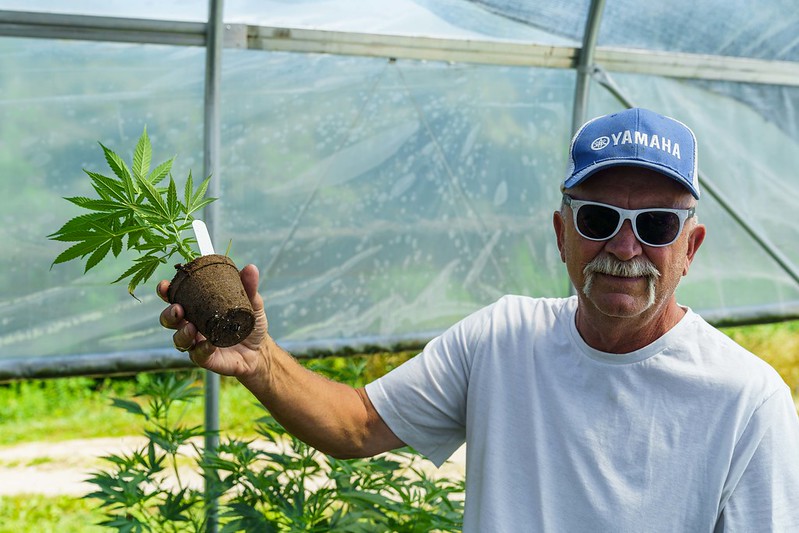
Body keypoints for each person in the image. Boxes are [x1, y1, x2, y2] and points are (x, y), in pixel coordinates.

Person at [159, 107, 799, 532]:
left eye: (656, 225)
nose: (624, 249)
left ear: (690, 248)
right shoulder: (502, 339)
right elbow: (354, 427)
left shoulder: (746, 399)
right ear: (560, 233)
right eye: (598, 219)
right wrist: (259, 358)